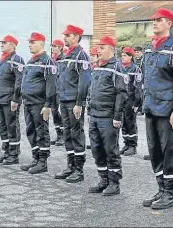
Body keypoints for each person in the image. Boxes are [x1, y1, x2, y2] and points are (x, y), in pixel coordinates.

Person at [141, 8, 173, 210]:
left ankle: (170, 192)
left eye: (159, 20)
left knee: (169, 150)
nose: (155, 23)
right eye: (153, 20)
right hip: (151, 107)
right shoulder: (149, 48)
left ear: (169, 23)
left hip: (168, 109)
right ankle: (161, 188)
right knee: (154, 150)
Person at [87, 36, 127, 196]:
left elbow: (122, 94)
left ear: (111, 49)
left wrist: (117, 117)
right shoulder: (97, 67)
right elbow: (92, 91)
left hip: (108, 117)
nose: (98, 50)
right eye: (98, 47)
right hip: (95, 115)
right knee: (97, 149)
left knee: (111, 150)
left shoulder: (117, 67)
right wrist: (89, 111)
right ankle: (103, 179)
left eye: (102, 47)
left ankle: (114, 183)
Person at [54, 25, 91, 183]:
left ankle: (79, 169)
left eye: (68, 35)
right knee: (68, 133)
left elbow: (84, 81)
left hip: (74, 101)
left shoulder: (81, 55)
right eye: (65, 35)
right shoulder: (65, 55)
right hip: (64, 99)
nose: (65, 38)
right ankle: (70, 166)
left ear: (76, 37)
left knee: (76, 133)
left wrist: (79, 102)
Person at [19, 32, 57, 174]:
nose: (30, 44)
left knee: (41, 132)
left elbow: (51, 85)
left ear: (41, 43)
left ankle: (43, 162)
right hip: (28, 102)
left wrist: (47, 105)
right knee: (31, 131)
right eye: (29, 42)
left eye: (33, 42)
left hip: (39, 103)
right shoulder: (31, 61)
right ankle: (35, 158)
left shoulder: (47, 62)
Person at [0, 35, 24, 165]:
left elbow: (19, 81)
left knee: (12, 126)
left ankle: (14, 154)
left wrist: (15, 99)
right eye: (2, 43)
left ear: (12, 45)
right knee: (3, 127)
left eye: (5, 43)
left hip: (10, 99)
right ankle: (6, 152)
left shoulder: (16, 59)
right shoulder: (2, 60)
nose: (2, 45)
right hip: (0, 98)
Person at [119, 46, 142, 156]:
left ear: (130, 57)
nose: (122, 57)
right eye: (122, 55)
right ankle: (126, 143)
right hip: (121, 99)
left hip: (131, 100)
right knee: (123, 123)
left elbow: (138, 87)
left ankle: (133, 146)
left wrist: (137, 102)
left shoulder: (135, 69)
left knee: (130, 123)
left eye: (125, 56)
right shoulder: (120, 67)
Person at [50, 39, 65, 146]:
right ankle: (59, 134)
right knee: (54, 112)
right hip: (53, 90)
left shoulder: (63, 59)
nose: (53, 48)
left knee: (60, 113)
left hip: (60, 90)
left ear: (60, 47)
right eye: (52, 46)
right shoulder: (52, 60)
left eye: (55, 46)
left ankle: (64, 135)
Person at [85, 46, 99, 151]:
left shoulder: (99, 68)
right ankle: (93, 141)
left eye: (93, 55)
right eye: (90, 55)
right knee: (91, 122)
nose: (91, 57)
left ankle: (98, 143)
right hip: (90, 98)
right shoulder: (89, 67)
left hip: (98, 99)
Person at [134, 46, 145, 116]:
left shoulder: (143, 60)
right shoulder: (135, 60)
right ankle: (137, 108)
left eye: (138, 52)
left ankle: (141, 109)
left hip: (142, 80)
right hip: (136, 80)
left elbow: (145, 71)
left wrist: (144, 82)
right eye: (135, 52)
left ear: (141, 52)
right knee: (136, 94)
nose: (136, 53)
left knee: (141, 95)